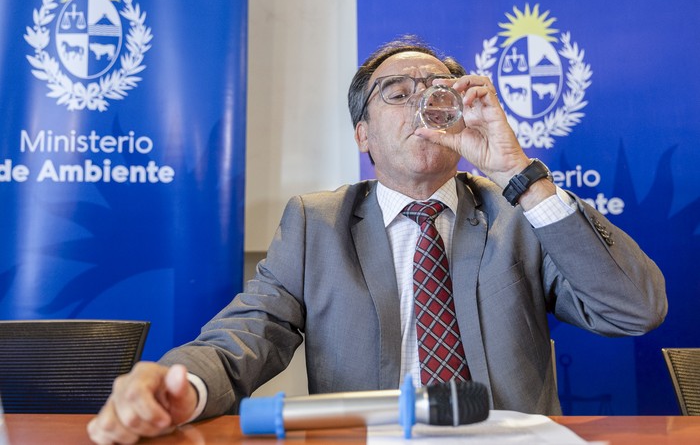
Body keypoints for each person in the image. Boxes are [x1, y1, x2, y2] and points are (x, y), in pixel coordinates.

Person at [87, 36, 667, 444]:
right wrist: (179, 386)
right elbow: (247, 335)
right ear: (363, 133)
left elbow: (635, 310)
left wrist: (519, 171)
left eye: (437, 89)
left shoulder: (519, 212)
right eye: (397, 92)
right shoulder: (317, 224)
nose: (423, 103)